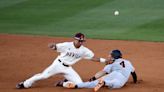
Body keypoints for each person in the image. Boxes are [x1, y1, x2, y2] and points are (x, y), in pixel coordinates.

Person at [16, 33, 109, 89]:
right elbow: (56, 46)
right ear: (75, 39)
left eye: (82, 41)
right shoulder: (66, 45)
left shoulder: (84, 50)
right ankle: (25, 83)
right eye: (79, 41)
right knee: (43, 76)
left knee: (79, 84)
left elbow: (93, 57)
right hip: (57, 65)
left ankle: (63, 83)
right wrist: (53, 46)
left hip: (68, 68)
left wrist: (105, 60)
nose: (81, 42)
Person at [64, 49, 137, 92]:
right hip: (121, 77)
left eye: (110, 55)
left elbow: (102, 72)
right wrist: (135, 81)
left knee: (94, 83)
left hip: (113, 74)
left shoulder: (111, 63)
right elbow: (133, 74)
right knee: (115, 84)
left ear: (113, 57)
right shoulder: (128, 62)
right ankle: (104, 83)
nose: (109, 56)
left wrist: (93, 79)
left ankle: (77, 85)